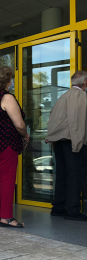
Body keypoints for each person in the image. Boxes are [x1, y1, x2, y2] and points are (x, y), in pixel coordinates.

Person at [0, 66, 28, 228]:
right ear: (7, 81)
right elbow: (19, 124)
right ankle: (7, 217)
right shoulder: (7, 98)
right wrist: (25, 135)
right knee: (7, 181)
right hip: (6, 144)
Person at [46, 70, 87, 221]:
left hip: (58, 142)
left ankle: (58, 207)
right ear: (85, 82)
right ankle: (72, 210)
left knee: (62, 174)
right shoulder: (82, 97)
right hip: (74, 140)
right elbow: (80, 122)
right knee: (75, 175)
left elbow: (52, 118)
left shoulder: (62, 97)